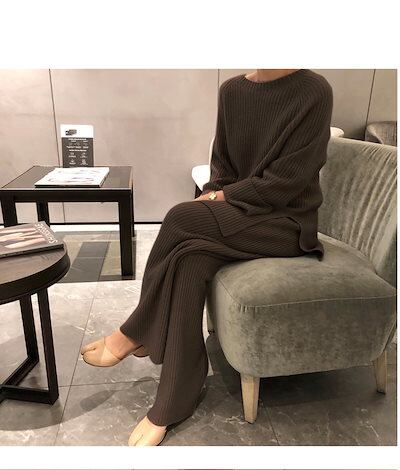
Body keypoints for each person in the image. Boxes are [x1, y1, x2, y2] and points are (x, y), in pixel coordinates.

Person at [80, 68, 333, 446]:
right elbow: (222, 168)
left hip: (287, 224)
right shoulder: (232, 91)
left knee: (180, 217)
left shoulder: (314, 91)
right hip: (243, 215)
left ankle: (135, 331)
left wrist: (219, 199)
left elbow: (288, 182)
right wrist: (214, 195)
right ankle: (176, 396)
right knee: (189, 258)